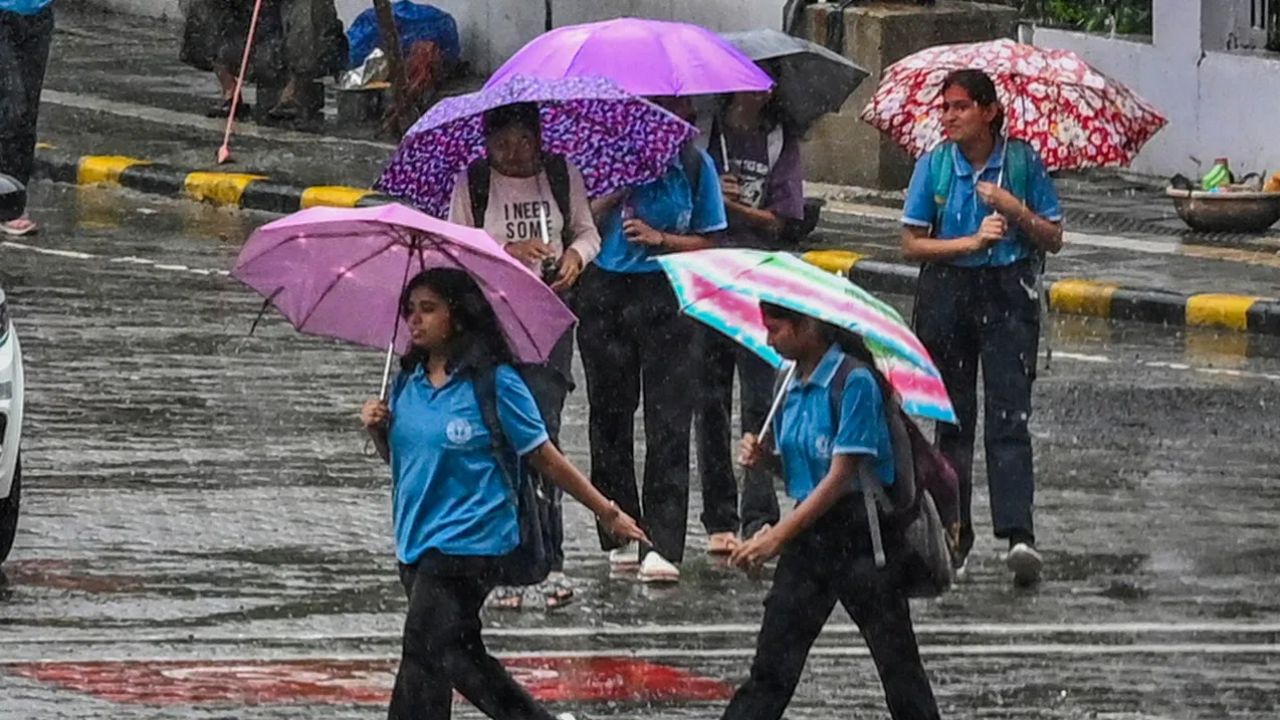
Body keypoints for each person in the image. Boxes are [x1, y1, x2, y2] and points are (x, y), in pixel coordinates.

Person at [360, 267, 647, 720]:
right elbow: (405, 464)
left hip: (472, 540)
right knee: (457, 656)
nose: (415, 320)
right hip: (415, 539)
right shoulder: (405, 385)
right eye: (410, 310)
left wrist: (606, 511)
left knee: (421, 648)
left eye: (428, 309)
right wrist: (380, 432)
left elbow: (545, 458)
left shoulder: (496, 383)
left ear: (457, 316)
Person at [723, 302, 941, 720]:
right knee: (771, 670)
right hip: (810, 537)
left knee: (899, 671)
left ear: (809, 326)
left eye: (777, 329)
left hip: (862, 538)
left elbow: (840, 478)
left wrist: (774, 537)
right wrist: (767, 459)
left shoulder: (855, 382)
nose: (769, 339)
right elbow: (805, 474)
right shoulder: (786, 382)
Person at [900, 68, 1063, 586]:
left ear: (989, 111)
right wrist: (968, 243)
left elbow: (1054, 236)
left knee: (1009, 416)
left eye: (960, 107)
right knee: (953, 423)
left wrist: (1015, 210)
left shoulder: (1021, 162)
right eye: (944, 108)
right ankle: (955, 533)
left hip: (1009, 295)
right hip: (949, 294)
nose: (948, 116)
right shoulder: (935, 167)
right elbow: (912, 243)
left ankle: (1019, 534)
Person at [447, 101, 601, 610]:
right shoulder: (473, 184)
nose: (515, 154)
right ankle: (503, 562)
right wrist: (507, 255)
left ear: (539, 139)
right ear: (487, 146)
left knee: (543, 438)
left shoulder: (561, 175)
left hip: (549, 321)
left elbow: (585, 230)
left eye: (524, 142)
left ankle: (549, 559)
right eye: (503, 145)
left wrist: (576, 258)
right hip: (491, 328)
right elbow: (457, 250)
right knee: (497, 440)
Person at [580, 95, 727, 584]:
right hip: (604, 292)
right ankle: (620, 528)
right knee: (609, 416)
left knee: (669, 420)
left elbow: (711, 239)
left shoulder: (692, 162)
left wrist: (662, 240)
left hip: (668, 294)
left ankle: (664, 542)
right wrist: (617, 187)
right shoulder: (598, 154)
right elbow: (577, 225)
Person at [697, 78, 805, 555]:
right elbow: (693, 209)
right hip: (710, 279)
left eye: (766, 86)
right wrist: (710, 191)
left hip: (762, 279)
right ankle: (719, 515)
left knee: (761, 399)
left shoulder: (779, 140)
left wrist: (735, 207)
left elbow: (784, 220)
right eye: (749, 84)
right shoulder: (705, 136)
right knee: (710, 401)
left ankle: (759, 514)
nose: (758, 94)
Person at [181, 0, 346, 122]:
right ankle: (231, 93)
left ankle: (293, 94)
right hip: (244, 31)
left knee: (311, 7)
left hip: (286, 33)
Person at [0, 0, 53, 237]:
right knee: (13, 107)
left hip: (38, 16)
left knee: (27, 117)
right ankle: (7, 208)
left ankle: (13, 202)